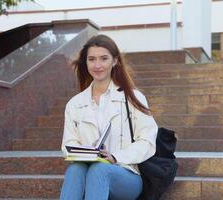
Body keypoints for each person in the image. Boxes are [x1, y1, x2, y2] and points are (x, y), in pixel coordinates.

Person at [60, 34, 158, 200]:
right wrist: (87, 154)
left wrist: (114, 157)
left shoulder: (132, 98)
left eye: (104, 58)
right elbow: (68, 144)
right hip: (88, 169)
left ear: (115, 61)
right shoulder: (74, 104)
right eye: (91, 59)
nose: (97, 65)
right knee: (75, 169)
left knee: (100, 170)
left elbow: (147, 141)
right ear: (86, 63)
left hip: (126, 176)